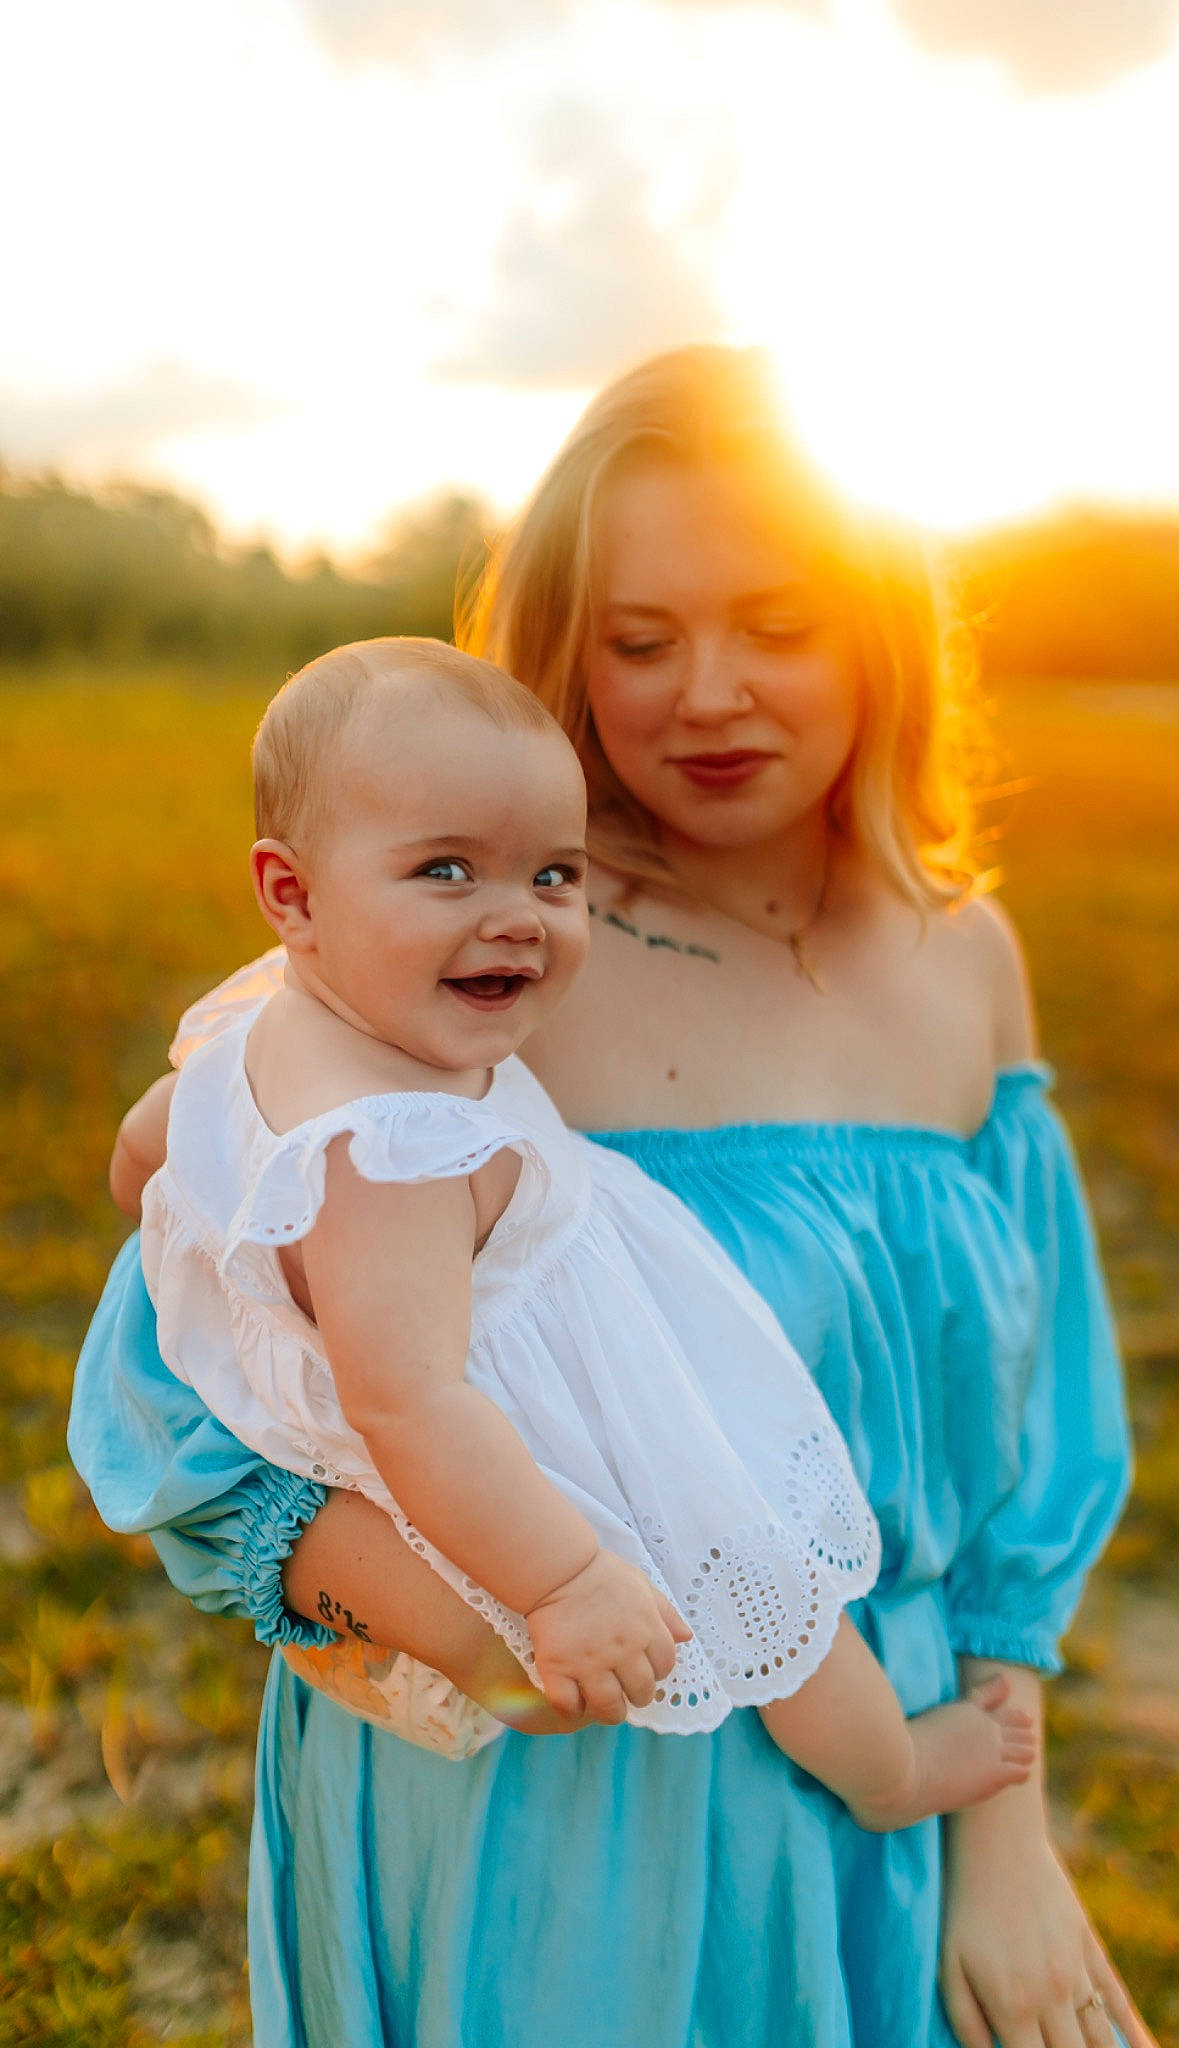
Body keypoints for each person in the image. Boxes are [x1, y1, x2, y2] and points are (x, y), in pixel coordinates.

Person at [72, 345, 1148, 2048]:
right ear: (568, 647)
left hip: (887, 1782)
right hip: (547, 1821)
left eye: (776, 625)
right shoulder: (470, 968)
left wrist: (999, 1836)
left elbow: (1022, 1456)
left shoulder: (967, 959)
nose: (707, 694)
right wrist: (506, 1639)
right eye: (640, 642)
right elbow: (183, 1421)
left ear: (879, 634)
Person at [125, 632, 1036, 1828]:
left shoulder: (255, 1029)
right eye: (448, 870)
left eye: (554, 875)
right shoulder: (393, 1151)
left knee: (701, 1602)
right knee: (767, 1582)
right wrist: (563, 1582)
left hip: (467, 1454)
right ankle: (890, 1773)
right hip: (534, 1455)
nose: (516, 918)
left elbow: (147, 1156)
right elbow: (412, 1401)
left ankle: (534, 1681)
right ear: (291, 894)